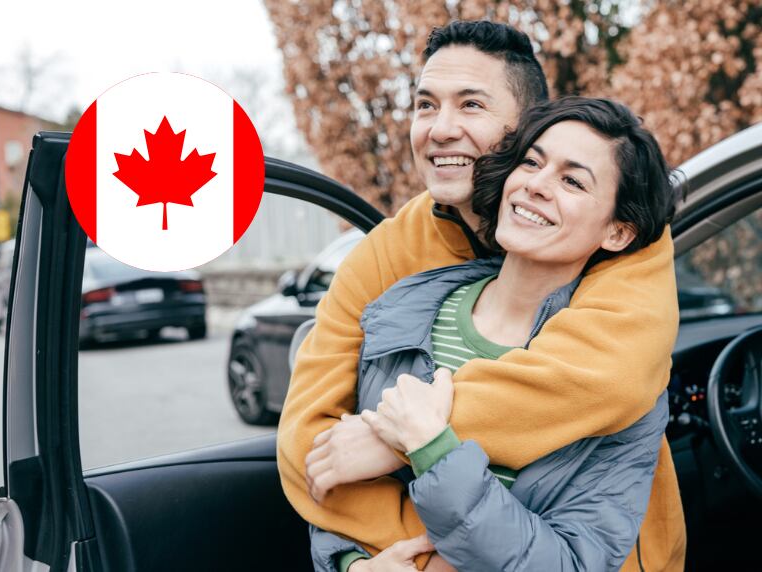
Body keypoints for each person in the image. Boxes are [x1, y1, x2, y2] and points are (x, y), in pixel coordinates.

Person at [278, 20, 686, 571]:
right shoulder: (386, 260)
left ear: (524, 127)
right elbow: (310, 445)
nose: (440, 129)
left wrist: (406, 437)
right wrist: (373, 561)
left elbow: (601, 379)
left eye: (470, 105)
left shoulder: (627, 248)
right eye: (425, 105)